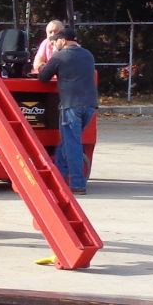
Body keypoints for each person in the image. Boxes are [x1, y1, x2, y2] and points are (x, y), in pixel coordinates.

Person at [35, 35, 97, 194]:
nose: (54, 45)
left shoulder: (60, 56)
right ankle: (58, 179)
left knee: (72, 145)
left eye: (55, 42)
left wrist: (44, 65)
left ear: (62, 40)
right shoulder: (88, 54)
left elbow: (43, 78)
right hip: (90, 106)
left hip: (71, 106)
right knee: (67, 143)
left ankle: (77, 184)